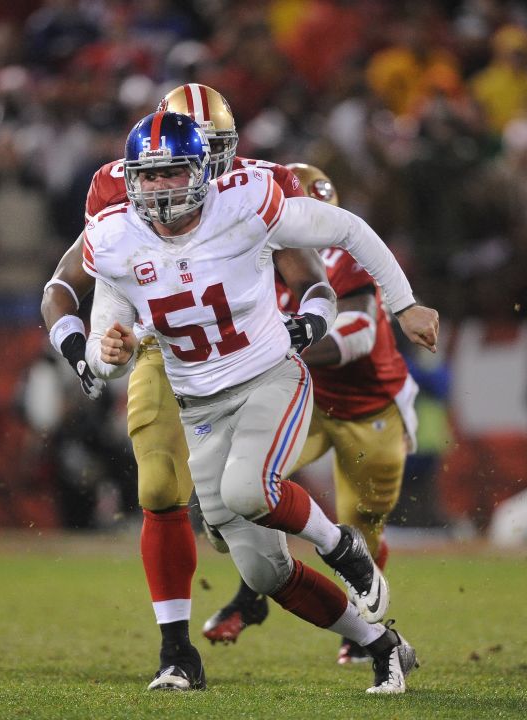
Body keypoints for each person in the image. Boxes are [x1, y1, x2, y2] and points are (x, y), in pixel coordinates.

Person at [87, 111, 439, 694]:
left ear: (200, 172)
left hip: (268, 379)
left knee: (250, 489)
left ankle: (341, 544)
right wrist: (110, 351)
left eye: (172, 173)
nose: (158, 189)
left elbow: (348, 229)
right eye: (146, 177)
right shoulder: (115, 235)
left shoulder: (245, 203)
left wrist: (404, 305)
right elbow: (108, 344)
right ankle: (384, 646)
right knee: (264, 570)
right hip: (199, 408)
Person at [40, 83, 328, 691]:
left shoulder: (260, 184)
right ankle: (176, 650)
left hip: (249, 356)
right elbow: (63, 284)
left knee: (236, 519)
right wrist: (80, 349)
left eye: (217, 147)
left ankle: (270, 574)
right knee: (159, 485)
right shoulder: (120, 185)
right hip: (162, 351)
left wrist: (312, 321)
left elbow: (313, 277)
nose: (205, 165)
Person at [201, 163, 422, 666]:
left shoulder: (344, 256)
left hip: (370, 408)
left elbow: (360, 335)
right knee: (252, 487)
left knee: (361, 525)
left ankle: (367, 628)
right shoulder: (251, 249)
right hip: (307, 399)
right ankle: (250, 594)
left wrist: (284, 343)